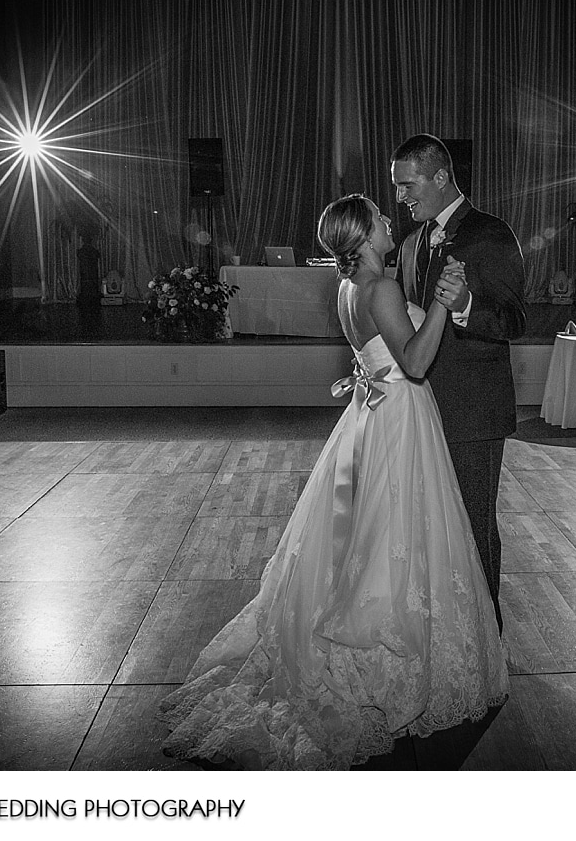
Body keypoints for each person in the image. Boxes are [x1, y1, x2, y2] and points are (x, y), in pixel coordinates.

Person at [158, 194, 508, 770]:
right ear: (366, 236)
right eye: (379, 218)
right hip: (399, 417)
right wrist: (443, 307)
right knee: (395, 537)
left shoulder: (348, 288)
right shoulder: (382, 287)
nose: (389, 220)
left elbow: (380, 354)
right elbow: (417, 363)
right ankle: (385, 651)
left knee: (363, 540)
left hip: (371, 415)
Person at [390, 134, 526, 632]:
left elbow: (514, 320)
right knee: (427, 531)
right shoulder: (407, 245)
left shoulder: (491, 233)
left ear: (441, 176)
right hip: (418, 412)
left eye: (408, 185)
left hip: (473, 413)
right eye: (398, 187)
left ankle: (486, 639)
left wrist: (467, 305)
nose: (402, 197)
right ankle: (443, 638)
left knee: (472, 529)